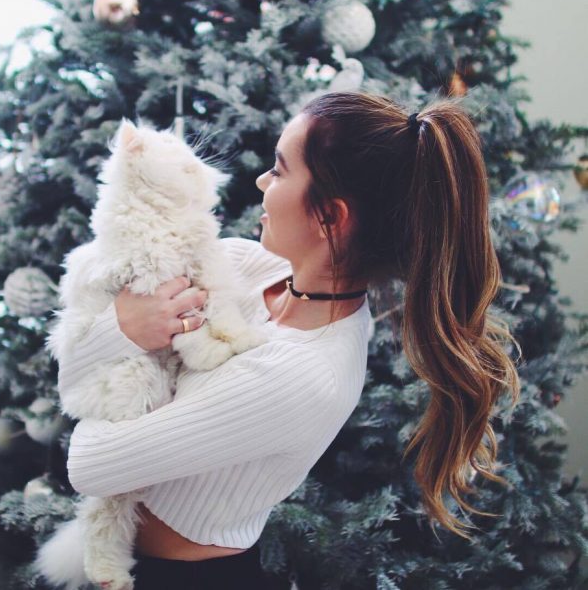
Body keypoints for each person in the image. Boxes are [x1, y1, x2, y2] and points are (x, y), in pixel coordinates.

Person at [59, 91, 520, 589]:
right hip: (118, 556)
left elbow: (88, 465)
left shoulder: (302, 374)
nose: (261, 181)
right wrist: (119, 331)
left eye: (279, 171)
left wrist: (120, 334)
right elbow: (75, 348)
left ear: (330, 217)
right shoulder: (246, 267)